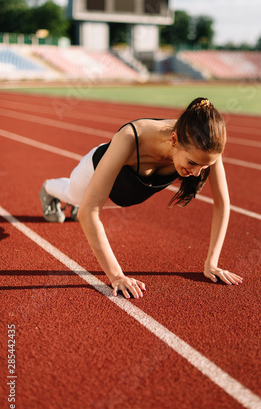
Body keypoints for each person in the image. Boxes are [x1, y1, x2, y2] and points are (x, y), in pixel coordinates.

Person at [40, 97, 243, 298]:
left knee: (85, 204)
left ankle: (78, 201)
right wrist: (117, 276)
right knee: (75, 198)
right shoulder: (130, 137)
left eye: (204, 167)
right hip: (91, 174)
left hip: (126, 195)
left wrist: (212, 263)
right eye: (192, 163)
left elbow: (222, 203)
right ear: (173, 140)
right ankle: (48, 189)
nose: (198, 173)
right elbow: (89, 212)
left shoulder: (206, 146)